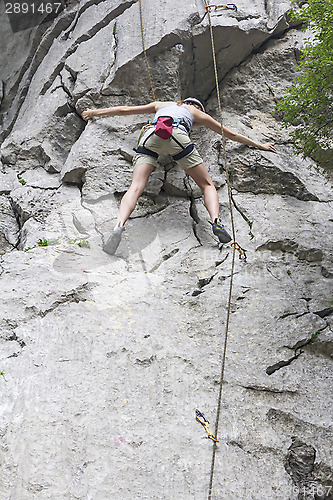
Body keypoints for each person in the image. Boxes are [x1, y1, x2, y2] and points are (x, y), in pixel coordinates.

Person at [82, 98, 277, 254]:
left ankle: (119, 225)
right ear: (195, 106)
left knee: (136, 187)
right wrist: (260, 145)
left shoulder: (162, 104)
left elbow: (124, 110)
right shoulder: (195, 111)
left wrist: (93, 113)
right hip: (177, 136)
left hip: (151, 134)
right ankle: (216, 221)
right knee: (207, 185)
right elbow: (231, 134)